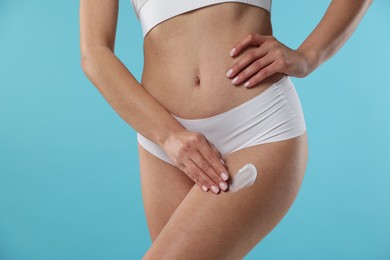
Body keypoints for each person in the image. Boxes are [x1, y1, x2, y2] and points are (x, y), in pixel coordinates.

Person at [79, 0, 373, 258]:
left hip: (256, 126)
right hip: (162, 138)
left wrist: (309, 56)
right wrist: (167, 136)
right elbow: (94, 53)